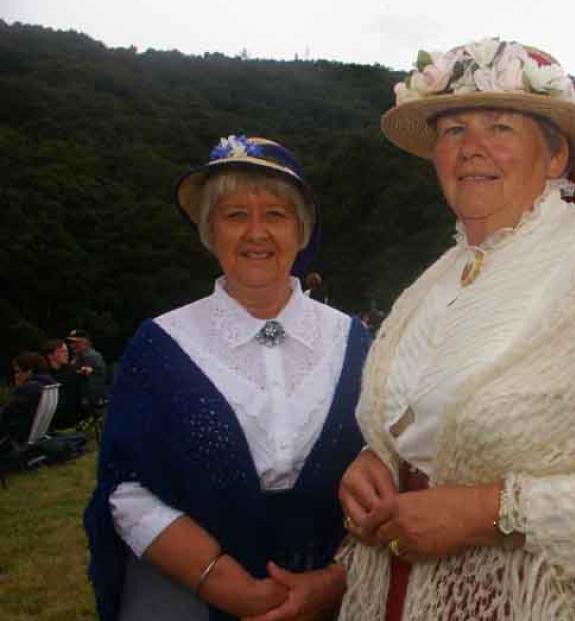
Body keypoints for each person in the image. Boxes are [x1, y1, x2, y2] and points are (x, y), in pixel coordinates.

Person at [336, 38, 575, 620]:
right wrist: (377, 460)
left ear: (556, 155)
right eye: (454, 130)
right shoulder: (433, 280)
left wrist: (488, 512)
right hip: (392, 594)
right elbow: (422, 422)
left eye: (501, 128)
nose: (472, 149)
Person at [84, 135, 371, 621]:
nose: (256, 233)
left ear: (301, 232)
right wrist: (224, 583)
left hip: (339, 578)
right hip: (191, 580)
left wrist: (332, 582)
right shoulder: (161, 344)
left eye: (275, 215)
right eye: (235, 215)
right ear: (209, 231)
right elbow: (127, 487)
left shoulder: (353, 341)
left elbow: (387, 463)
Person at [1, 351, 56, 445]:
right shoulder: (48, 383)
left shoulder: (30, 388)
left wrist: (18, 387)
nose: (16, 376)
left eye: (17, 372)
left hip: (17, 435)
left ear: (29, 371)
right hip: (33, 433)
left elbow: (7, 412)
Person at [42, 338, 84, 429]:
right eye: (61, 351)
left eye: (66, 351)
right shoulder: (43, 375)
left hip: (72, 421)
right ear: (50, 355)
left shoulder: (73, 372)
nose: (66, 354)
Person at [65, 329, 108, 412]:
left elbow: (95, 382)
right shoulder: (78, 356)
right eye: (71, 343)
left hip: (90, 402)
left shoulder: (90, 356)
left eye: (76, 342)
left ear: (86, 342)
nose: (72, 345)